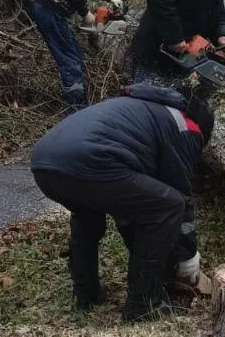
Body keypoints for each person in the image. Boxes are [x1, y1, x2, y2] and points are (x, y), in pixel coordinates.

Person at [30, 83, 214, 321]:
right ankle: (142, 306)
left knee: (87, 217)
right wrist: (188, 257)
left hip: (45, 163)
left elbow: (132, 201)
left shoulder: (143, 108)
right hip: (92, 159)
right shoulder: (187, 128)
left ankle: (85, 293)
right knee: (169, 206)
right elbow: (181, 196)